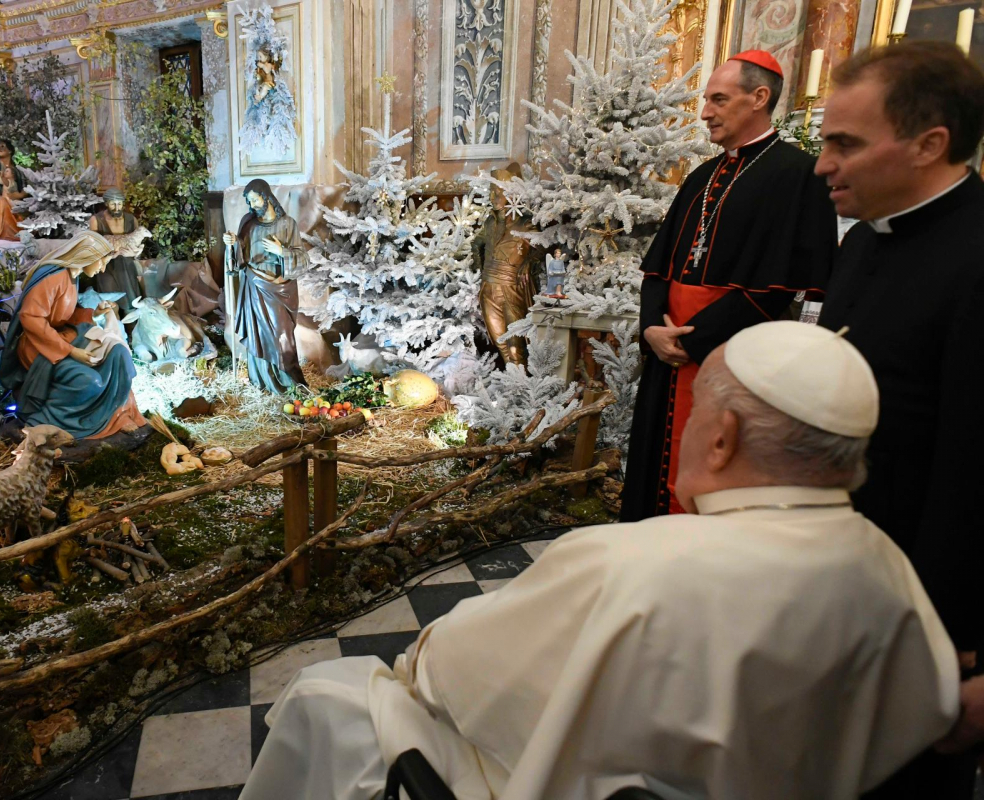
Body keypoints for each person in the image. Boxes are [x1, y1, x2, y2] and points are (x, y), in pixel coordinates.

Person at [241, 321, 959, 800]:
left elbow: (452, 676)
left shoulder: (630, 564)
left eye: (699, 411)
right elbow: (928, 711)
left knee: (326, 696)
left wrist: (422, 658)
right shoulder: (887, 568)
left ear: (721, 438)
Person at [814, 41, 984, 799]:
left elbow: (973, 475)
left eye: (844, 143)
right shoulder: (860, 245)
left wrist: (963, 652)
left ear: (929, 144)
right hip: (837, 598)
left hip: (925, 624)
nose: (822, 164)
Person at [621, 50, 838, 521]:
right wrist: (652, 331)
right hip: (669, 350)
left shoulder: (799, 176)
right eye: (706, 100)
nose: (705, 113)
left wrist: (689, 339)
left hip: (733, 358)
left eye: (718, 99)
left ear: (759, 97)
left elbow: (782, 288)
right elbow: (658, 271)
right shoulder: (702, 175)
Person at [0, 231, 147, 439]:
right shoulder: (53, 278)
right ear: (86, 256)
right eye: (101, 262)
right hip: (40, 346)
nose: (103, 269)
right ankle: (46, 422)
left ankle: (119, 415)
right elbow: (30, 318)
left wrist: (94, 313)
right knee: (87, 380)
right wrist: (71, 351)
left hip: (64, 336)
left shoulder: (72, 276)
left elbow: (63, 315)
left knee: (119, 354)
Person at [223, 180, 308, 394]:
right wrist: (232, 243)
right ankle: (262, 381)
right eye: (249, 201)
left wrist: (282, 252)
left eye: (254, 199)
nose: (251, 205)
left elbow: (303, 260)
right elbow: (239, 259)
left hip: (279, 289)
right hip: (253, 285)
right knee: (257, 334)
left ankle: (290, 384)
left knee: (282, 336)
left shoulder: (288, 224)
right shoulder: (248, 223)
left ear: (266, 196)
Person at [478, 163, 536, 365]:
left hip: (512, 290)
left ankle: (522, 386)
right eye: (491, 192)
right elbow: (478, 246)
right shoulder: (490, 223)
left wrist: (528, 262)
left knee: (516, 343)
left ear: (512, 195)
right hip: (488, 289)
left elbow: (544, 248)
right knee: (499, 341)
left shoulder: (526, 224)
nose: (494, 198)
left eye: (499, 193)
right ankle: (511, 381)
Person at [83, 188, 143, 317]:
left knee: (131, 300)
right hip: (107, 265)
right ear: (106, 203)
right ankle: (114, 330)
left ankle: (133, 329)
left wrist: (134, 253)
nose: (117, 207)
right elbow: (94, 244)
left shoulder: (131, 220)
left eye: (119, 204)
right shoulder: (96, 220)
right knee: (109, 299)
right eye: (112, 204)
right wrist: (110, 255)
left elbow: (138, 243)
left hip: (127, 266)